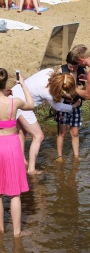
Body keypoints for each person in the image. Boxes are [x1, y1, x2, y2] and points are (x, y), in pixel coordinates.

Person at [11, 69, 80, 174]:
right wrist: (74, 106)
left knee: (22, 132)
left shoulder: (49, 71)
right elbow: (58, 107)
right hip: (22, 104)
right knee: (38, 136)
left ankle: (21, 162)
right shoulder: (48, 92)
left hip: (14, 94)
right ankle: (31, 169)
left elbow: (55, 90)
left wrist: (64, 95)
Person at [0, 68, 34, 237]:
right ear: (5, 83)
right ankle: (17, 233)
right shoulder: (14, 102)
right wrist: (23, 84)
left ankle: (0, 229)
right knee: (14, 194)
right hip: (11, 145)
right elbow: (31, 104)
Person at [55, 52, 86, 160]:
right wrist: (67, 94)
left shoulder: (82, 71)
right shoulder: (61, 71)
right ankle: (59, 156)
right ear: (66, 63)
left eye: (75, 67)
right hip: (63, 105)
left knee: (75, 132)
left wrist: (82, 89)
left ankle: (76, 156)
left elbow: (85, 87)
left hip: (76, 105)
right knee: (62, 132)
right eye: (70, 66)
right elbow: (55, 89)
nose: (72, 69)